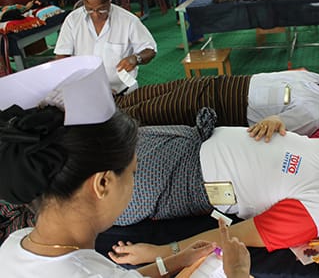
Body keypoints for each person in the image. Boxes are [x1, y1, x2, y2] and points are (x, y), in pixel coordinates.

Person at [107, 107, 319, 265]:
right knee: (97, 143)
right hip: (187, 136)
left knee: (93, 186)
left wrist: (161, 253)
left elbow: (227, 238)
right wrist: (274, 120)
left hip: (174, 180)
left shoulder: (314, 209)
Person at [0, 57, 219, 278]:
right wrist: (237, 270)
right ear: (103, 183)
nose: (134, 183)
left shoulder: (16, 243)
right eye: (132, 173)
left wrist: (176, 259)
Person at [115, 61, 319, 138]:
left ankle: (93, 127)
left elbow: (275, 126)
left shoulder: (316, 110)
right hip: (219, 84)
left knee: (146, 113)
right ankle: (96, 111)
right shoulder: (315, 78)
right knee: (143, 95)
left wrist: (275, 120)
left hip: (218, 105)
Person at [54, 0, 157, 95]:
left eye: (102, 9)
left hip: (121, 93)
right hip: (85, 92)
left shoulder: (128, 20)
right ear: (83, 0)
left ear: (110, 0)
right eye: (90, 9)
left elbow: (150, 49)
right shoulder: (73, 20)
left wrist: (136, 58)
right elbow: (62, 56)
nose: (96, 15)